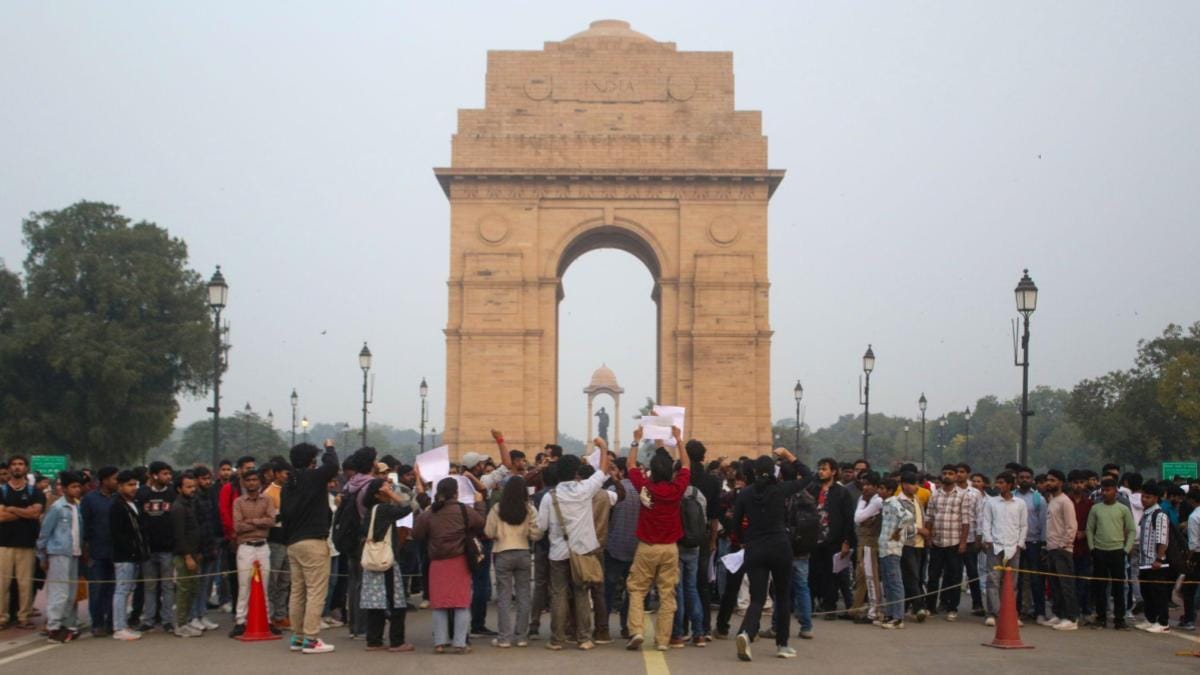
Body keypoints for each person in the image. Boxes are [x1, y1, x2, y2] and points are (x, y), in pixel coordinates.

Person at [537, 437, 612, 651]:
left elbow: (541, 526)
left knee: (559, 594)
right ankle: (584, 638)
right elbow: (603, 470)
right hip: (583, 551)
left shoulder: (550, 497)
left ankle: (557, 639)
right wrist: (603, 448)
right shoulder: (585, 489)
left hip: (558, 553)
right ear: (577, 473)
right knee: (581, 592)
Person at [731, 453, 807, 660]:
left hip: (755, 547)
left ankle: (746, 633)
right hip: (780, 546)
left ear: (754, 472)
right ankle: (782, 644)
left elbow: (735, 523)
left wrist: (741, 540)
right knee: (782, 597)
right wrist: (791, 457)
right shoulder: (780, 489)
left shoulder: (745, 493)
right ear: (773, 471)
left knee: (756, 598)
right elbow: (808, 476)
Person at [621, 427, 687, 652]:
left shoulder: (645, 488)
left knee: (637, 590)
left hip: (647, 547)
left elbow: (630, 466)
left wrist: (635, 441)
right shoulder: (677, 488)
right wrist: (678, 441)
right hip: (670, 548)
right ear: (671, 472)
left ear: (651, 471)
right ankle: (662, 640)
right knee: (667, 593)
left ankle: (637, 630)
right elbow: (686, 466)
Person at [413, 475, 486, 654]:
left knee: (439, 604)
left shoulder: (430, 513)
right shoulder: (463, 510)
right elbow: (481, 523)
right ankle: (460, 643)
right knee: (461, 603)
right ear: (456, 492)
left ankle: (439, 642)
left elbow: (417, 534)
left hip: (437, 563)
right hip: (459, 561)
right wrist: (480, 504)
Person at [281, 440, 340, 654]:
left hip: (293, 542)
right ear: (311, 461)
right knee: (316, 591)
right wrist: (330, 447)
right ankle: (311, 638)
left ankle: (297, 636)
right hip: (313, 540)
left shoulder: (289, 485)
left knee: (297, 590)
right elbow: (333, 465)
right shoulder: (313, 477)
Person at [484, 474, 543, 648]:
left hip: (502, 552)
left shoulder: (497, 508)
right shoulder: (529, 508)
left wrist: (499, 534)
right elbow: (537, 533)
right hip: (523, 552)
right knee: (524, 596)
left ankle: (504, 638)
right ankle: (521, 636)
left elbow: (488, 532)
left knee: (504, 596)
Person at [359, 478, 415, 652]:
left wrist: (390, 490)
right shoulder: (384, 509)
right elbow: (409, 506)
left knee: (375, 603)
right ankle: (397, 641)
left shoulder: (371, 510)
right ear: (378, 494)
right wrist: (393, 494)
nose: (389, 488)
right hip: (386, 560)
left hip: (373, 560)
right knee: (396, 601)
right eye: (385, 487)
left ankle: (374, 640)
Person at [37, 471, 85, 643]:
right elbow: (44, 533)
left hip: (74, 553)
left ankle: (68, 624)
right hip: (58, 553)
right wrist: (42, 556)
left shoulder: (77, 506)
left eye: (78, 486)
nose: (77, 490)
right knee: (59, 592)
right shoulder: (57, 508)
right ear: (64, 489)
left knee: (71, 593)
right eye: (73, 487)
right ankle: (53, 627)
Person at [230, 468, 277, 637]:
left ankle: (266, 620)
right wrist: (259, 523)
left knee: (264, 585)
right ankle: (240, 621)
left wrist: (251, 521)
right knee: (244, 585)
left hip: (263, 546)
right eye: (248, 480)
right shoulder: (238, 502)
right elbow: (238, 526)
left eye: (254, 480)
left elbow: (271, 521)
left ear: (259, 481)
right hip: (246, 546)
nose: (252, 483)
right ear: (243, 482)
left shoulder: (267, 500)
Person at [0, 455, 46, 630]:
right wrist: (23, 512)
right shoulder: (2, 491)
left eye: (20, 464)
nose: (17, 467)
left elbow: (35, 514)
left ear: (26, 468)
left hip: (26, 544)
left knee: (25, 583)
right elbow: (1, 516)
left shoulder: (35, 492)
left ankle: (23, 617)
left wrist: (11, 509)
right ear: (9, 468)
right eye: (14, 464)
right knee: (2, 584)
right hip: (4, 544)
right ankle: (2, 617)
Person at [807, 457, 856, 618]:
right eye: (820, 469)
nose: (821, 472)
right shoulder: (812, 490)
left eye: (825, 469)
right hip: (814, 540)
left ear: (833, 472)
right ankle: (811, 604)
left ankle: (830, 607)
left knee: (831, 576)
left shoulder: (842, 493)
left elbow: (849, 519)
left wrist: (846, 542)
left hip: (834, 540)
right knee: (812, 574)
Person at [1086, 477, 1135, 631]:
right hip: (1099, 551)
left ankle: (1119, 620)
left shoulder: (1123, 509)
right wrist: (1092, 548)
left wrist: (1126, 549)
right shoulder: (1096, 508)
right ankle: (1101, 618)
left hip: (1117, 552)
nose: (1105, 493)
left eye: (1108, 490)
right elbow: (1089, 529)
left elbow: (1132, 530)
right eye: (1103, 490)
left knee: (1118, 588)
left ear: (1115, 491)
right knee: (1100, 587)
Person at [980, 472, 1027, 627]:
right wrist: (988, 540)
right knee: (993, 580)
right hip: (996, 546)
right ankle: (993, 613)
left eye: (1001, 482)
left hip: (1013, 547)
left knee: (1011, 583)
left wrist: (1020, 543)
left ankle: (1010, 614)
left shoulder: (1020, 503)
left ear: (1010, 485)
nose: (998, 485)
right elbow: (986, 522)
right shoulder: (991, 502)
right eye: (997, 482)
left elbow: (1023, 525)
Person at [136, 460, 176, 633]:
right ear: (154, 475)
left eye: (169, 474)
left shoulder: (173, 493)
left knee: (167, 585)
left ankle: (167, 619)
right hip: (148, 548)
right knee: (150, 586)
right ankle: (149, 619)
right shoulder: (142, 494)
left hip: (167, 548)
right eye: (164, 474)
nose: (168, 477)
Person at [925, 464, 969, 621]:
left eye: (951, 473)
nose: (947, 476)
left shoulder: (963, 495)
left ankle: (952, 608)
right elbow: (929, 517)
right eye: (945, 473)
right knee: (933, 576)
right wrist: (928, 537)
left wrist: (963, 542)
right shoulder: (935, 495)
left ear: (956, 476)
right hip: (937, 542)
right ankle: (930, 607)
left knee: (954, 577)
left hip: (954, 542)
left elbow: (965, 521)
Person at [603, 457, 639, 640]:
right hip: (635, 547)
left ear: (622, 471)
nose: (612, 472)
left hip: (614, 546)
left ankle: (603, 627)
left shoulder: (612, 490)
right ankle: (627, 627)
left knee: (608, 589)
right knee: (632, 591)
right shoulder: (643, 492)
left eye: (615, 469)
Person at [110, 470, 148, 640]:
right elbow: (118, 534)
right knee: (121, 590)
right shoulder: (117, 506)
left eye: (135, 484)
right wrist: (130, 550)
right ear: (120, 486)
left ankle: (124, 624)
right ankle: (118, 627)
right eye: (130, 485)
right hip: (124, 556)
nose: (134, 488)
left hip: (134, 556)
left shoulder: (133, 503)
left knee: (127, 591)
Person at [81, 465, 118, 637]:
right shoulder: (89, 499)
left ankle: (111, 621)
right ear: (104, 480)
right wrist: (85, 549)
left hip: (116, 551)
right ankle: (97, 623)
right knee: (97, 588)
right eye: (114, 479)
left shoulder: (119, 498)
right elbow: (84, 526)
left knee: (114, 588)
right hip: (96, 550)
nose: (116, 482)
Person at [171, 471, 206, 638]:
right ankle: (180, 623)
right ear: (179, 488)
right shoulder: (178, 507)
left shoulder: (191, 503)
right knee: (184, 589)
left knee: (193, 588)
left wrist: (197, 552)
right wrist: (187, 556)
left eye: (194, 486)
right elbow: (179, 535)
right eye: (188, 486)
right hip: (184, 555)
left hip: (194, 552)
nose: (192, 489)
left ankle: (186, 621)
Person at [1044, 469, 1079, 630]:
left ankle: (1071, 618)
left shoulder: (1065, 501)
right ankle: (1059, 614)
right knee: (1055, 585)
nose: (1048, 483)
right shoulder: (1052, 500)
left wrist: (1063, 545)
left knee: (1066, 585)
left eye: (1052, 480)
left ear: (1060, 482)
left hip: (1062, 549)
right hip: (1051, 548)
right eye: (1047, 480)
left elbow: (1071, 526)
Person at [1135, 483, 1171, 633]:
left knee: (1158, 594)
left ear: (1156, 498)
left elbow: (1163, 539)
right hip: (1144, 563)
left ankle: (1163, 623)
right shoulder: (1146, 514)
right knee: (1147, 592)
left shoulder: (1159, 515)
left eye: (1148, 497)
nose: (1144, 499)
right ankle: (1150, 619)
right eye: (1143, 496)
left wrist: (1159, 559)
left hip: (1155, 563)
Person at [189, 466, 222, 632]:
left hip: (211, 545)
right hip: (197, 549)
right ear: (195, 480)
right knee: (196, 584)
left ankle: (201, 614)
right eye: (203, 478)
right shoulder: (192, 499)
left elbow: (213, 522)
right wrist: (196, 550)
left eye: (208, 478)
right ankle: (193, 616)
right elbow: (194, 527)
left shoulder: (210, 496)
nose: (207, 482)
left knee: (205, 584)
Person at [878, 476, 913, 629]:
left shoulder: (893, 503)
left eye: (882, 489)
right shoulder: (885, 504)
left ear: (890, 490)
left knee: (895, 583)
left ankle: (898, 617)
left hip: (892, 548)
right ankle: (890, 614)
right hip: (884, 547)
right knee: (887, 583)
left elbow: (908, 516)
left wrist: (898, 531)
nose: (879, 491)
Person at [850, 470, 883, 626]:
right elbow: (859, 520)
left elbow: (858, 518)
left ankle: (874, 611)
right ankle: (855, 609)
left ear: (877, 487)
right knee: (861, 576)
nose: (865, 488)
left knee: (870, 576)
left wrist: (862, 504)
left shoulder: (877, 501)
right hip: (862, 541)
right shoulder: (865, 499)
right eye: (864, 484)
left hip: (870, 543)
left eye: (869, 485)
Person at [1015, 466, 1047, 622]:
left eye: (1027, 477)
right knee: (1018, 579)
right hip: (1016, 543)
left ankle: (1039, 611)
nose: (1024, 480)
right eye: (1021, 477)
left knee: (1036, 579)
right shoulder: (1012, 497)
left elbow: (1043, 523)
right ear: (1017, 479)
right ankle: (1017, 611)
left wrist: (1043, 544)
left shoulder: (1038, 499)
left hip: (1034, 542)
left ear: (1032, 479)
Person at [1067, 470, 1094, 622]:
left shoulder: (1090, 504)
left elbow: (1093, 525)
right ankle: (1072, 611)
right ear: (1070, 484)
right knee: (1069, 581)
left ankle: (1086, 610)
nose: (1079, 485)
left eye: (1081, 482)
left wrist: (1085, 533)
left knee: (1083, 581)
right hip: (1068, 547)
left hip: (1084, 548)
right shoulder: (1066, 501)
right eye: (1076, 482)